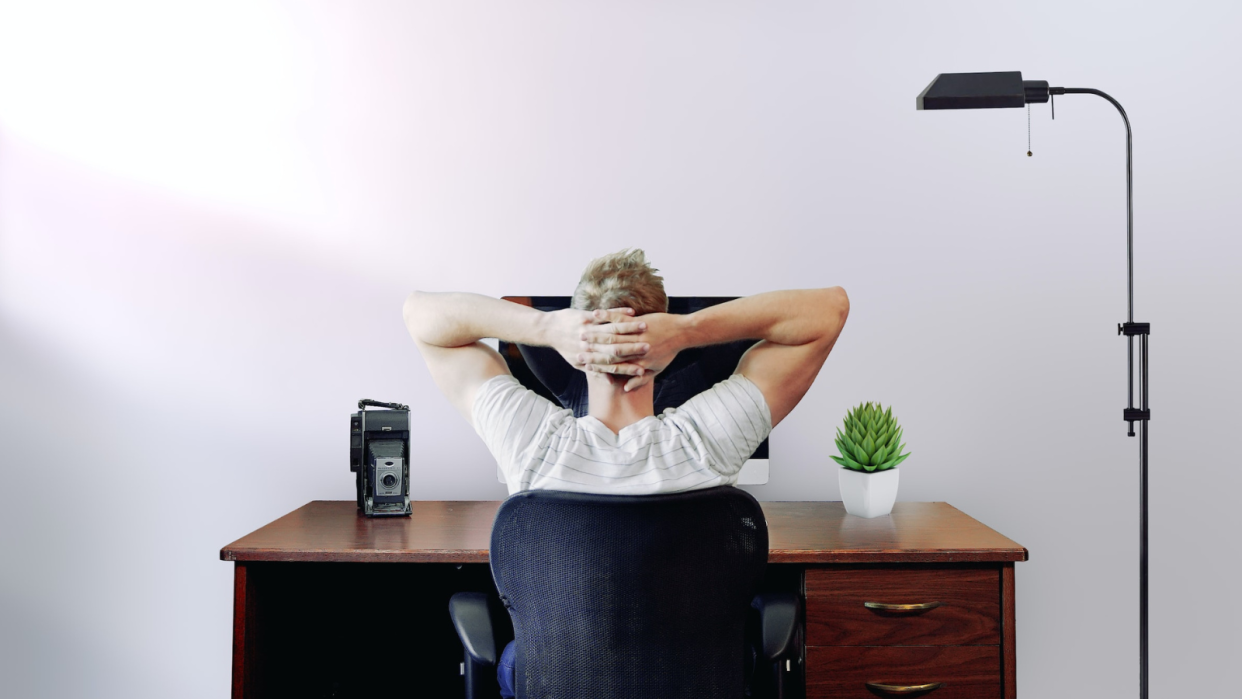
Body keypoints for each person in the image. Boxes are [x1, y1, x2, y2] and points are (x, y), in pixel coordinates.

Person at [403, 248, 849, 695]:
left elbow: (420, 314)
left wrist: (546, 327)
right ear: (665, 343)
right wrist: (687, 330)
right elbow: (829, 310)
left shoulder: (531, 443)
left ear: (577, 349)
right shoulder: (706, 441)